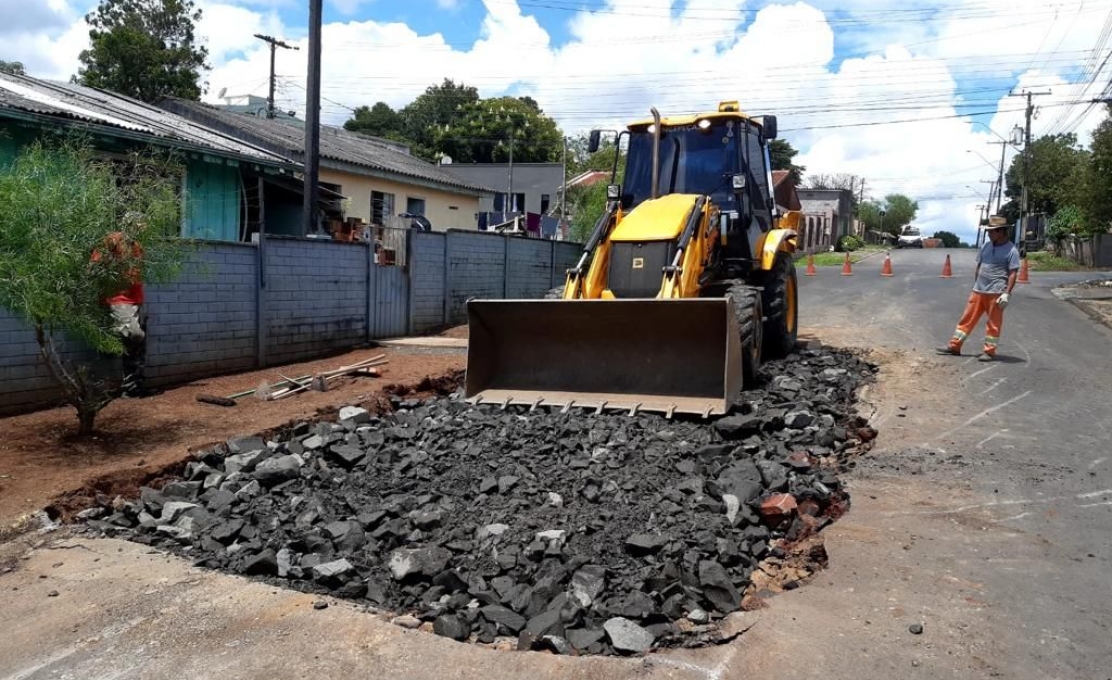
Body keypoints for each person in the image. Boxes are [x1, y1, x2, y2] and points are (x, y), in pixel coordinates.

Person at [936, 217, 1021, 362]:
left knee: (993, 323)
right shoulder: (986, 246)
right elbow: (979, 266)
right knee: (966, 319)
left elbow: (1013, 272)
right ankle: (954, 346)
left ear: (1001, 232)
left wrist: (1007, 293)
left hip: (996, 292)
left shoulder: (1011, 250)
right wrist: (976, 283)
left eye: (992, 231)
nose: (989, 234)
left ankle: (989, 351)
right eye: (988, 231)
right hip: (978, 291)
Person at [91, 227, 148, 397]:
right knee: (135, 334)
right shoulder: (113, 240)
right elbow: (94, 267)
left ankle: (132, 388)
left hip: (136, 300)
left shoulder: (138, 245)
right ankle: (112, 332)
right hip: (118, 299)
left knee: (137, 347)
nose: (142, 229)